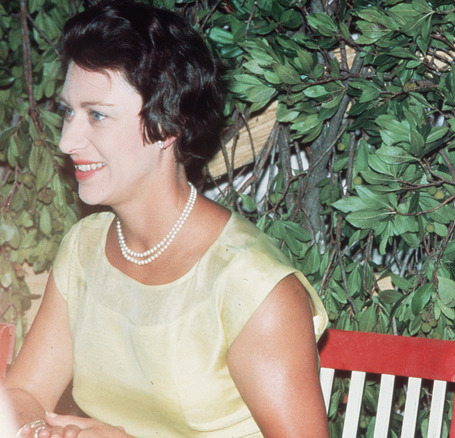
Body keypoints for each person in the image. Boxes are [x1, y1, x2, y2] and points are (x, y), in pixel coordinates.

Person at [3, 1, 330, 437]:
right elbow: (22, 395)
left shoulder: (253, 288)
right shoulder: (84, 249)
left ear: (167, 124)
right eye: (68, 111)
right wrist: (38, 433)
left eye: (96, 115)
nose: (67, 141)